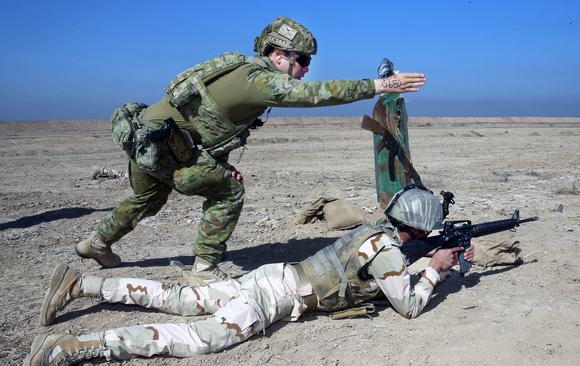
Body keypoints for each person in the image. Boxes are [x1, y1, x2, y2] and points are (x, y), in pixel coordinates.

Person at [76, 16, 427, 284]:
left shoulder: (238, 69)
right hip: (165, 146)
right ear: (277, 54)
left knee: (146, 199)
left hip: (146, 139)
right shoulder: (259, 80)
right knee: (230, 192)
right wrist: (379, 85)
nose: (305, 69)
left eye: (307, 62)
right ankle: (205, 268)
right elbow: (314, 95)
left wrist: (216, 162)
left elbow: (206, 123)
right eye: (301, 60)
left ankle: (96, 243)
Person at [25, 187, 474, 365]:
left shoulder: (374, 230)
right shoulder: (386, 249)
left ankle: (82, 283)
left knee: (182, 298)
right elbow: (408, 306)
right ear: (415, 228)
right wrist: (435, 271)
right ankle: (82, 347)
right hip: (275, 299)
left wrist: (424, 257)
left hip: (273, 276)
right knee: (197, 338)